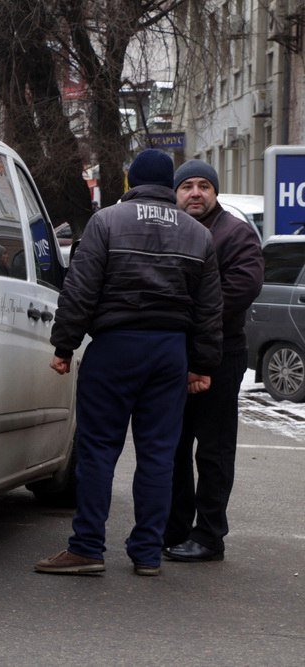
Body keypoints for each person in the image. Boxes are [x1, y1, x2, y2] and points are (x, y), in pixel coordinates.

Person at [35, 149, 223, 577]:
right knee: (158, 454)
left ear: (131, 182)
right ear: (169, 183)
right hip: (169, 352)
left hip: (115, 348)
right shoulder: (198, 235)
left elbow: (80, 290)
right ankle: (147, 553)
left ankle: (87, 548)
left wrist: (64, 346)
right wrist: (202, 365)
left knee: (99, 449)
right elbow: (209, 309)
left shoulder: (106, 222)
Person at [164, 160, 264, 562]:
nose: (195, 193)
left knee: (214, 449)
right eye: (187, 185)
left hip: (222, 356)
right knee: (171, 446)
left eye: (204, 186)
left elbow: (244, 286)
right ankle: (173, 529)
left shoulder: (236, 233)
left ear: (215, 193)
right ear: (175, 192)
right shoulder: (169, 230)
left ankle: (208, 536)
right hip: (172, 355)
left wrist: (187, 312)